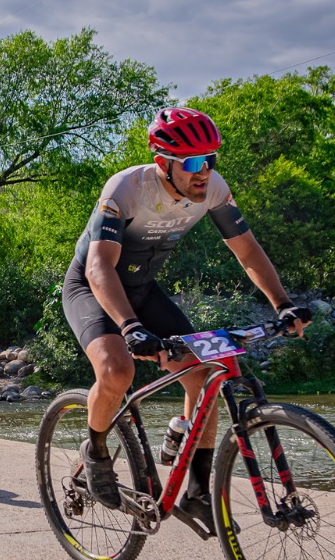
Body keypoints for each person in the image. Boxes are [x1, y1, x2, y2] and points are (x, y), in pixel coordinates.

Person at [62, 106, 310, 523]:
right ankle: (97, 454)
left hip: (142, 290)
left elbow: (246, 250)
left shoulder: (213, 189)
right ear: (163, 163)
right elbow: (98, 267)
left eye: (211, 160)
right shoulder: (125, 189)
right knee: (117, 370)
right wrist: (130, 327)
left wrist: (282, 304)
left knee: (207, 371)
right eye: (194, 163)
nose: (204, 172)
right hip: (94, 288)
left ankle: (196, 492)